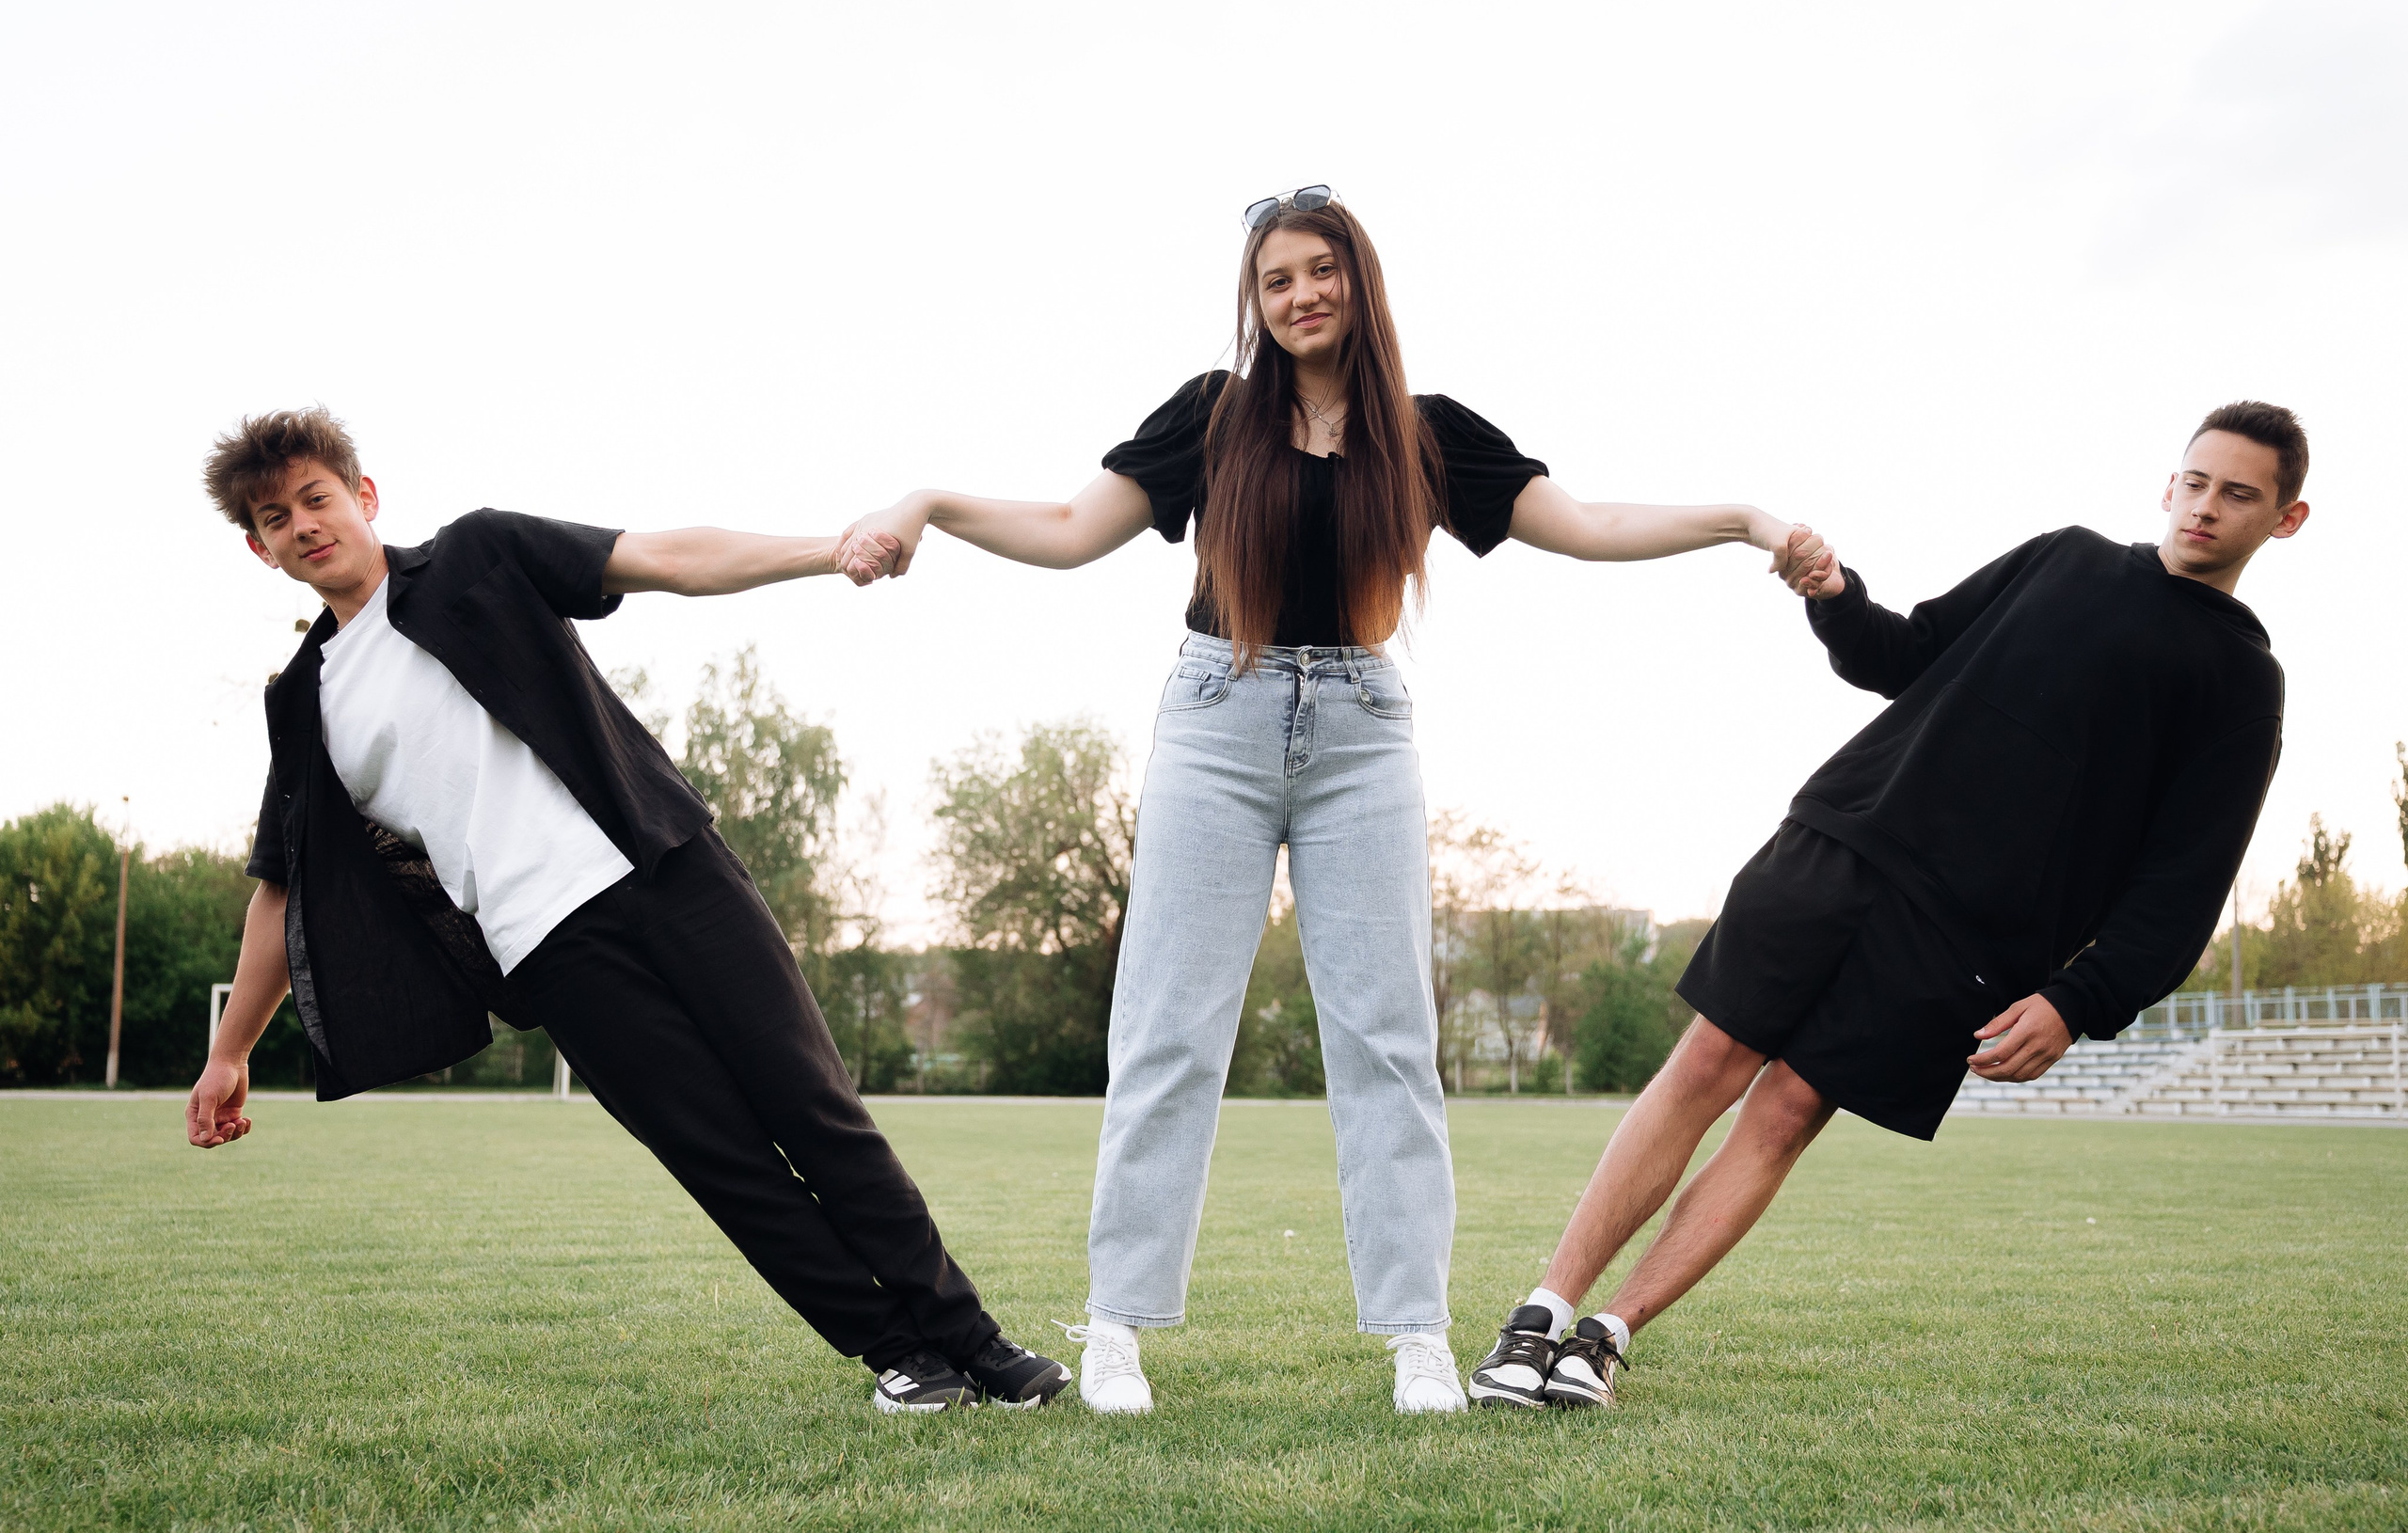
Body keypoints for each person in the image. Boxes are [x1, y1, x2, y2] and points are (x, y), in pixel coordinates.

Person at [837, 187, 1825, 1413]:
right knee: (1166, 1033)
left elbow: (1588, 523)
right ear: (1254, 302)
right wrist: (927, 504)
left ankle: (1416, 1335)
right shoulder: (1212, 417)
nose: (1300, 294)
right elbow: (1068, 526)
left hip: (1363, 730)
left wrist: (1744, 521)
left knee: (1389, 1041)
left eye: (1321, 270)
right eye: (1276, 279)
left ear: (1359, 281)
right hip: (1217, 715)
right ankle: (1118, 1327)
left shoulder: (1427, 435)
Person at [186, 407, 1070, 1414]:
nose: (303, 524)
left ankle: (976, 1341)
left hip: (668, 869)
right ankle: (900, 1354)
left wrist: (828, 550)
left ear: (364, 496)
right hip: (547, 947)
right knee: (724, 1160)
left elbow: (666, 557)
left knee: (816, 1108)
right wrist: (229, 1050)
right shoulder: (303, 702)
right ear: (259, 549)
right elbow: (283, 885)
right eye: (275, 517)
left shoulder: (478, 554)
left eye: (316, 497)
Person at [1467, 401, 2307, 1410]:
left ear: (2285, 518)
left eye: (2238, 494)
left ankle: (1605, 1337)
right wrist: (1833, 593)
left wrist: (2076, 999)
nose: (2205, 507)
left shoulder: (2243, 684)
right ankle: (1539, 1315)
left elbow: (2180, 890)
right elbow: (1906, 654)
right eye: (2195, 481)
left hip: (1969, 939)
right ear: (2168, 482)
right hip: (1845, 839)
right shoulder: (2066, 558)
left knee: (1785, 1112)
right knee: (1706, 1060)